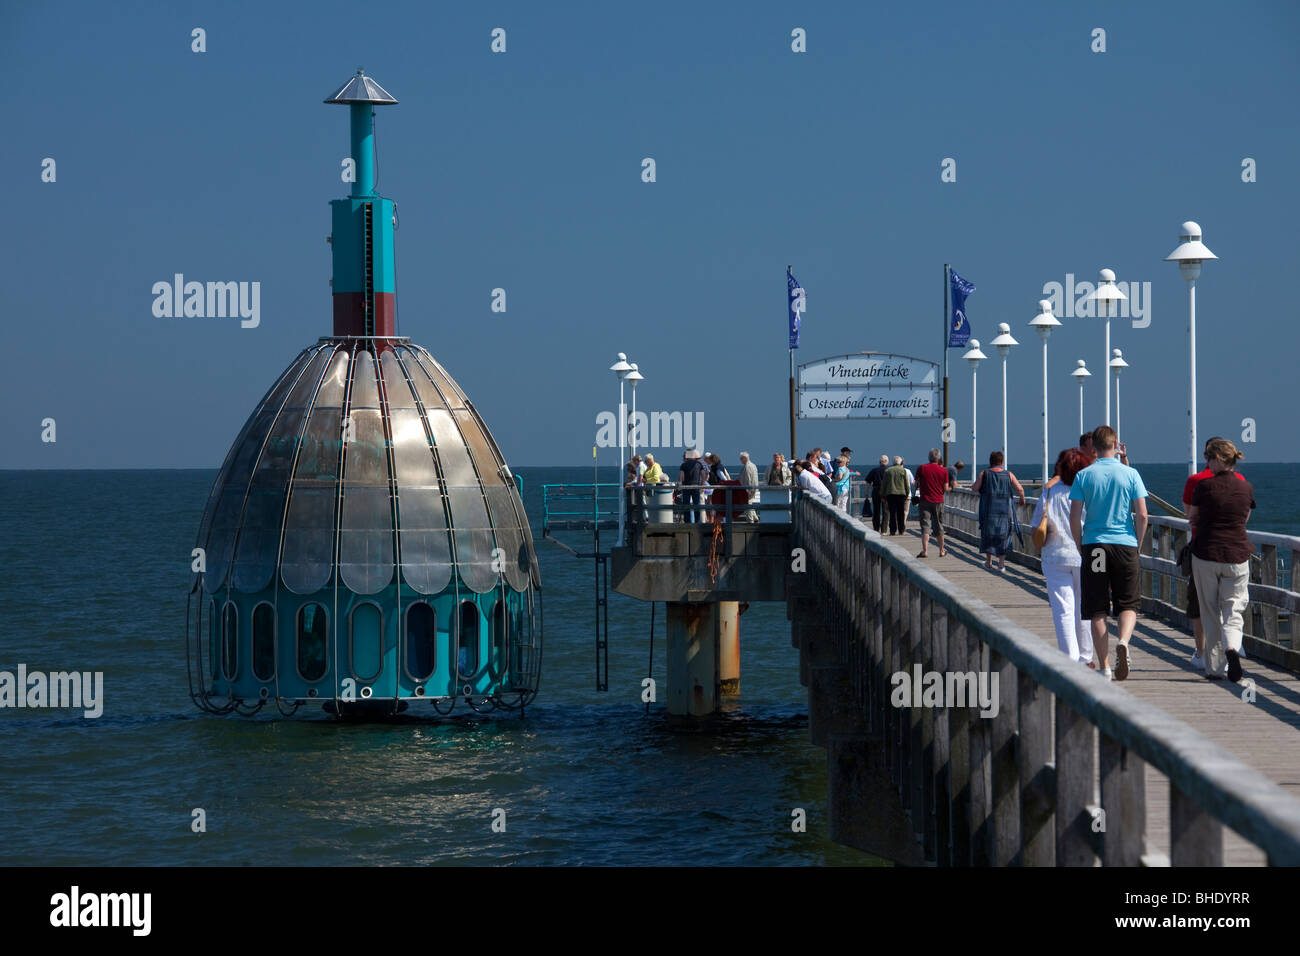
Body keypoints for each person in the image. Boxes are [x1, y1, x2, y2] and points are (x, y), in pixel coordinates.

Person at [1069, 426, 1148, 681]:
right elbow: (1143, 515)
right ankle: (1123, 641)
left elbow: (1074, 517)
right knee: (1128, 603)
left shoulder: (1084, 475)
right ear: (1116, 445)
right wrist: (1138, 544)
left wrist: (1081, 545)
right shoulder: (1131, 474)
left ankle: (1103, 667)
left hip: (1095, 545)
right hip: (1125, 545)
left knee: (1097, 608)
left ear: (1093, 448)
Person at [1191, 439, 1255, 682]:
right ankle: (1232, 648)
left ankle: (1215, 668)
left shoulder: (1204, 487)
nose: (1206, 462)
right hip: (1237, 555)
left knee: (1209, 610)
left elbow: (1193, 517)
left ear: (1218, 459)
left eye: (1208, 457)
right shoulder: (1246, 488)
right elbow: (1244, 519)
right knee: (1233, 608)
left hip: (1206, 553)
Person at [1031, 448, 1094, 665]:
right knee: (1084, 607)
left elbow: (1036, 524)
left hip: (1055, 555)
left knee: (1063, 609)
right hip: (1085, 555)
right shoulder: (1089, 491)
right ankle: (1086, 657)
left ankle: (1070, 657)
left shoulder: (1049, 492)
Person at [972, 451, 1025, 570]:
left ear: (990, 462)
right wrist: (1022, 499)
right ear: (1002, 462)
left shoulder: (984, 473)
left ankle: (989, 562)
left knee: (988, 535)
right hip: (1005, 512)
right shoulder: (1009, 474)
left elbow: (975, 488)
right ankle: (1001, 564)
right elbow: (1020, 489)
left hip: (988, 511)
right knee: (1004, 536)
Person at [915, 448, 952, 558]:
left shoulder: (922, 468)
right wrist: (951, 488)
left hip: (925, 500)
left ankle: (925, 551)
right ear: (939, 458)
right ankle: (941, 550)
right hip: (938, 501)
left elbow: (916, 483)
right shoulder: (944, 470)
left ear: (929, 457)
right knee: (939, 525)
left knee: (925, 526)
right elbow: (945, 488)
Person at [882, 456, 911, 535]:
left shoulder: (888, 471)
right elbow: (906, 484)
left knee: (892, 513)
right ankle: (901, 530)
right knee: (900, 513)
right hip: (901, 494)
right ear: (900, 462)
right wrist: (907, 494)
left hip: (890, 494)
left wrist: (883, 495)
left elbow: (884, 484)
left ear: (893, 462)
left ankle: (892, 530)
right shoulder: (903, 471)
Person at [678, 449, 707, 524]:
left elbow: (681, 475)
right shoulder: (698, 464)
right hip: (696, 486)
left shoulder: (684, 465)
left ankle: (688, 521)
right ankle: (697, 521)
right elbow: (703, 474)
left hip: (686, 486)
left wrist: (680, 483)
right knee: (696, 504)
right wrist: (702, 484)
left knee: (686, 504)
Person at [864, 454, 889, 532]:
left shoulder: (874, 470)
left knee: (876, 510)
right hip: (885, 492)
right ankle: (884, 530)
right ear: (887, 462)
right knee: (885, 511)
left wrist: (866, 492)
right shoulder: (888, 471)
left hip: (876, 491)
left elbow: (868, 482)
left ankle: (876, 528)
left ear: (879, 462)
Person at [739, 451, 760, 522]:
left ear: (744, 458)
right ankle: (755, 518)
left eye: (741, 458)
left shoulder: (747, 467)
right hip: (754, 488)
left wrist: (747, 491)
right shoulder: (753, 465)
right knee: (749, 503)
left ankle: (750, 521)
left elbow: (748, 479)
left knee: (747, 504)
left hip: (749, 489)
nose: (740, 460)